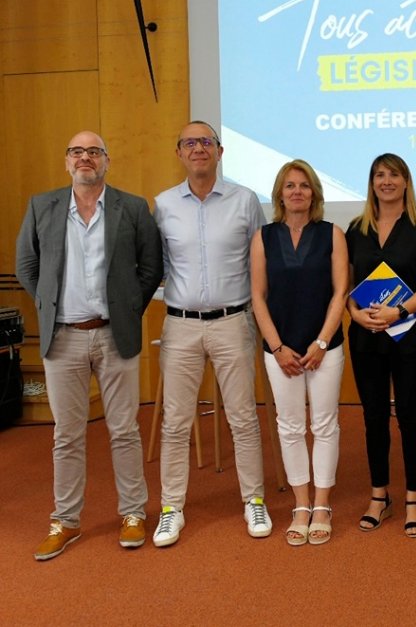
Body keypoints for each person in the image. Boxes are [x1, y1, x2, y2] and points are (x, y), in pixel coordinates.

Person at [16, 131, 162, 560]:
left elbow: (151, 266)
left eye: (93, 152)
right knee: (66, 435)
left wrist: (128, 307)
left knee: (124, 430)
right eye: (77, 152)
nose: (85, 158)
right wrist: (47, 303)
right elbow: (27, 264)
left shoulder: (131, 207)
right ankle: (65, 520)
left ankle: (134, 513)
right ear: (67, 162)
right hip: (62, 337)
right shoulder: (43, 206)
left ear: (106, 162)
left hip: (115, 335)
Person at [152, 120, 271, 547]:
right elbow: (158, 264)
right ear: (179, 152)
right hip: (180, 325)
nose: (198, 148)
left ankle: (253, 500)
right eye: (190, 142)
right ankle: (171, 508)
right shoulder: (163, 204)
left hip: (233, 322)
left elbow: (261, 265)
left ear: (220, 152)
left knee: (243, 418)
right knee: (174, 423)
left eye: (207, 142)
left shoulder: (245, 201)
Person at [251, 160, 347, 546]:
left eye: (304, 186)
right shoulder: (263, 236)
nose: (297, 192)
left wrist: (322, 343)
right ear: (279, 194)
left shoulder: (332, 234)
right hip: (280, 351)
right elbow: (257, 295)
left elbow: (341, 292)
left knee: (324, 425)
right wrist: (277, 347)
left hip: (325, 348)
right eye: (290, 185)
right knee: (289, 427)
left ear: (314, 194)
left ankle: (323, 505)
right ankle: (301, 504)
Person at [346, 154, 416, 539]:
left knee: (409, 416)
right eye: (380, 175)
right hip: (366, 337)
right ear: (371, 182)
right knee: (372, 416)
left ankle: (414, 496)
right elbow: (345, 285)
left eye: (394, 175)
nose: (387, 181)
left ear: (406, 181)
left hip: (410, 337)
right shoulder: (354, 229)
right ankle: (379, 494)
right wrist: (355, 313)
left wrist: (399, 310)